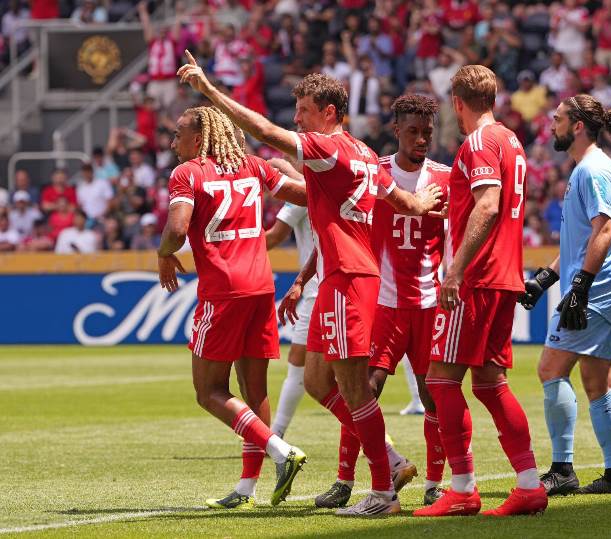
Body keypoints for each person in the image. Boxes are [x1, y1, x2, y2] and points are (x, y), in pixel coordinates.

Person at [179, 55, 442, 516]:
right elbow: (393, 197)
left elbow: (264, 132)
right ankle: (390, 463)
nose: (296, 118)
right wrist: (418, 204)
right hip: (339, 278)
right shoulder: (361, 152)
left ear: (329, 112)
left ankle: (383, 492)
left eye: (303, 110)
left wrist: (210, 91)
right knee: (320, 381)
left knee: (357, 388)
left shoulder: (330, 148)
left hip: (348, 278)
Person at [157, 105, 309, 511]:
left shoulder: (187, 174)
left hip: (223, 291)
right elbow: (305, 195)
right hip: (261, 287)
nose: (173, 143)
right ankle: (246, 488)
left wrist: (162, 253)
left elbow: (175, 229)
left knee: (208, 392)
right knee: (253, 389)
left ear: (200, 138)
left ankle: (281, 452)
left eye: (179, 135)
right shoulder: (253, 166)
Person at [414, 65, 546, 518]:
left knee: (441, 379)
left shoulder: (478, 143)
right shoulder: (512, 140)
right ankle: (529, 485)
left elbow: (488, 204)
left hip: (477, 278)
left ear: (457, 103)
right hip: (506, 275)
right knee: (490, 383)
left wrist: (454, 271)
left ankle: (463, 488)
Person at [311, 94, 451, 509]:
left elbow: (455, 236)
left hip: (428, 303)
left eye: (427, 132)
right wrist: (305, 276)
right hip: (383, 303)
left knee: (433, 395)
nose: (422, 139)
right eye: (413, 132)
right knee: (359, 388)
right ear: (397, 132)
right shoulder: (376, 172)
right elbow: (347, 229)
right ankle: (345, 479)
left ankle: (435, 484)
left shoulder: (444, 178)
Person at [518, 94, 611, 496]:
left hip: (595, 290)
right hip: (606, 288)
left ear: (578, 125)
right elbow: (580, 241)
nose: (552, 124)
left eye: (559, 118)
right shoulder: (593, 168)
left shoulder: (592, 170)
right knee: (596, 380)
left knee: (550, 369)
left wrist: (580, 287)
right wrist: (546, 280)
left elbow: (604, 231)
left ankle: (562, 469)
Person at [263, 173, 316, 440]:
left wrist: (232, 247)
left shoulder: (298, 198)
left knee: (299, 365)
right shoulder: (325, 187)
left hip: (315, 289)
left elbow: (273, 237)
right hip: (340, 285)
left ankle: (275, 435)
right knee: (343, 371)